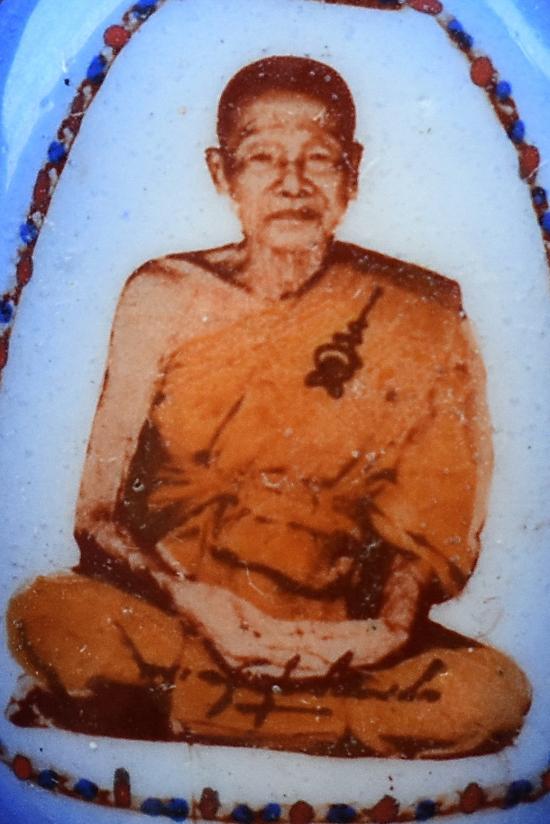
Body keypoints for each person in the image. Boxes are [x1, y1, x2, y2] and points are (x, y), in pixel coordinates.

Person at [6, 56, 530, 758]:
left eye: (319, 159)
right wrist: (194, 601)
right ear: (222, 173)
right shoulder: (164, 296)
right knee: (47, 614)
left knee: (490, 691)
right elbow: (96, 517)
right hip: (182, 618)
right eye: (262, 158)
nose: (292, 184)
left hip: (340, 640)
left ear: (352, 171)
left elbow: (427, 541)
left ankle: (174, 709)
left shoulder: (423, 310)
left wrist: (382, 634)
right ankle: (320, 727)